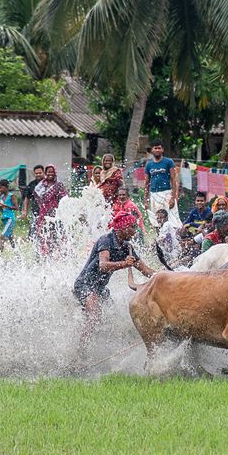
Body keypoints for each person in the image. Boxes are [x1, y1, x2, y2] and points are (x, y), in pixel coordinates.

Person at [74, 211, 155, 347]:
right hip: (85, 285)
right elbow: (103, 265)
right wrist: (124, 264)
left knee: (111, 318)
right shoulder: (105, 240)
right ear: (122, 227)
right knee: (94, 315)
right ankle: (79, 355)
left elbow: (146, 270)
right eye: (133, 227)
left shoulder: (127, 247)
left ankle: (103, 348)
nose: (135, 231)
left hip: (100, 289)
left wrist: (167, 276)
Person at [143, 140, 179, 226]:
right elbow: (146, 183)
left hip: (166, 193)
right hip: (154, 194)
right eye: (155, 148)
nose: (157, 150)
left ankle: (174, 238)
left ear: (162, 150)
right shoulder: (149, 165)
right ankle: (159, 238)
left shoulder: (168, 162)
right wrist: (145, 200)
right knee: (156, 220)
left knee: (172, 219)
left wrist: (173, 197)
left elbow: (173, 180)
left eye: (159, 148)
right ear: (152, 150)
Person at [35, 164, 68, 257]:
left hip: (56, 214)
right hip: (44, 214)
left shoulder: (59, 185)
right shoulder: (40, 186)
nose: (50, 173)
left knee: (56, 234)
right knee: (44, 235)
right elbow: (38, 199)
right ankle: (44, 255)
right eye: (48, 171)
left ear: (55, 173)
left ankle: (58, 255)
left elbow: (64, 198)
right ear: (45, 173)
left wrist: (57, 209)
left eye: (52, 172)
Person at [20, 165, 44, 240]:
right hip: (35, 212)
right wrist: (25, 211)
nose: (38, 175)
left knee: (44, 231)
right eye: (36, 173)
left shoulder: (47, 183)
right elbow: (27, 198)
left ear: (43, 172)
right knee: (33, 233)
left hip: (46, 212)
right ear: (34, 174)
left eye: (40, 173)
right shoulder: (32, 184)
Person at [0, 179, 18, 251]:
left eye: (0, 187)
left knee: (2, 236)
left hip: (10, 219)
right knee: (11, 239)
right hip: (4, 219)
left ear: (6, 187)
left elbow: (16, 207)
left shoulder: (11, 196)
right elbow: (1, 209)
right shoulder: (1, 197)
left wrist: (6, 205)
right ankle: (18, 256)